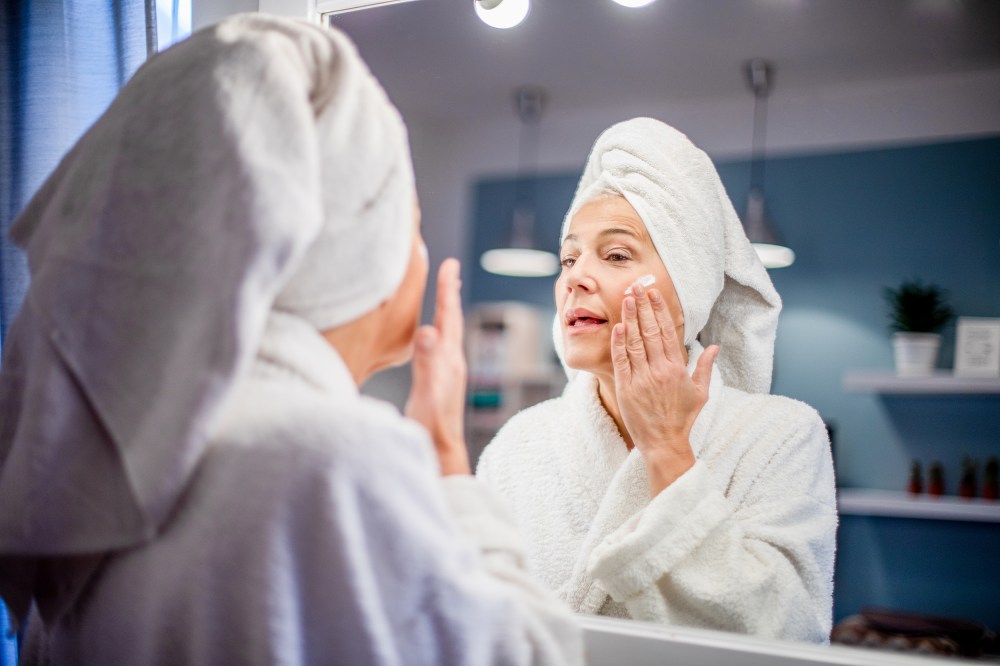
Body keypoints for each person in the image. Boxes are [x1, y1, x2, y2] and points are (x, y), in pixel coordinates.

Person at [0, 14, 582, 665]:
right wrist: (446, 450)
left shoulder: (95, 463)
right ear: (350, 249)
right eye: (409, 221)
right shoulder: (331, 459)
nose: (419, 253)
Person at [476, 118, 838, 643]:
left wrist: (668, 447)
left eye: (616, 254)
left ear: (689, 283)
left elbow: (789, 635)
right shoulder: (520, 444)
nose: (575, 276)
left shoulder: (780, 435)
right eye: (569, 257)